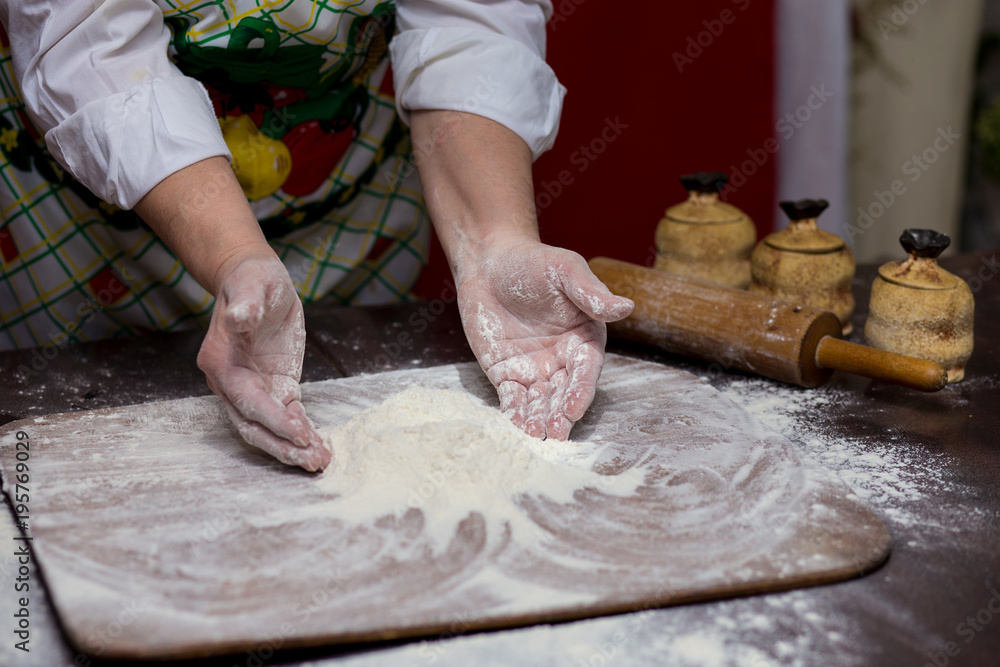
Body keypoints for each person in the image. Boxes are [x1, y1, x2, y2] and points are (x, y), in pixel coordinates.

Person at [0, 0, 634, 471]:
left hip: (336, 193)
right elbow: (93, 50)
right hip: (90, 230)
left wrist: (495, 241)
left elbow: (468, 24)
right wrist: (234, 253)